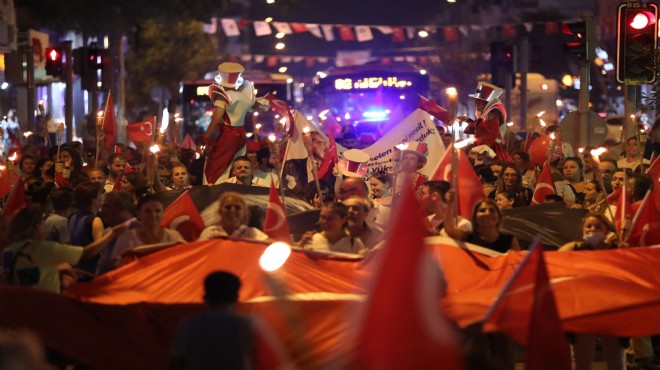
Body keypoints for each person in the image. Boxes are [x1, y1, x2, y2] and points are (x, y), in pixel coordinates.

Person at [2, 205, 126, 293]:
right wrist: (113, 233)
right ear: (35, 227)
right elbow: (87, 253)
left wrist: (55, 272)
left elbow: (26, 277)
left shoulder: (10, 250)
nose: (44, 227)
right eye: (41, 223)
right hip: (43, 306)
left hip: (19, 308)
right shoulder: (44, 248)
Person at [558, 213, 626, 370]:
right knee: (581, 357)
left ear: (607, 230)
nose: (592, 229)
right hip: (584, 307)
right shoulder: (574, 248)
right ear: (582, 230)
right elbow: (553, 262)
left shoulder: (618, 249)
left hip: (612, 307)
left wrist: (622, 251)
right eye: (589, 226)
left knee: (616, 357)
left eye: (598, 226)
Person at [169, 271, 255, 370]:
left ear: (205, 297)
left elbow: (176, 363)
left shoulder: (188, 324)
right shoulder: (249, 324)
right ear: (236, 297)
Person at [201, 62, 267, 185]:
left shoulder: (222, 97)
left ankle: (214, 193)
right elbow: (256, 107)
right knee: (234, 165)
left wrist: (205, 137)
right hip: (241, 136)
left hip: (227, 136)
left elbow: (216, 119)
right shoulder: (244, 96)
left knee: (217, 166)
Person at [111, 194, 185, 267]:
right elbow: (116, 264)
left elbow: (187, 255)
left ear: (163, 213)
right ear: (138, 213)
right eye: (147, 211)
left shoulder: (173, 237)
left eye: (157, 211)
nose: (153, 215)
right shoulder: (126, 238)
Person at [445, 196, 520, 253]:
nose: (487, 213)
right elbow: (450, 230)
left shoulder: (509, 241)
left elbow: (518, 266)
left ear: (499, 217)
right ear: (475, 217)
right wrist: (449, 205)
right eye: (482, 210)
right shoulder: (468, 238)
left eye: (492, 210)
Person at [464, 82, 510, 161]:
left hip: (490, 152)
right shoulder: (489, 113)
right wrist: (468, 120)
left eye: (478, 101)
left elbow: (493, 133)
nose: (476, 103)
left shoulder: (492, 113)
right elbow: (483, 129)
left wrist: (485, 149)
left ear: (486, 102)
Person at [298, 202, 366, 255]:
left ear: (344, 219)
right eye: (323, 217)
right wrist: (300, 245)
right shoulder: (311, 240)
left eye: (330, 219)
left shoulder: (354, 243)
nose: (325, 222)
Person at [96, 190, 137, 275]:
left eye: (106, 207)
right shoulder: (109, 231)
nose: (102, 211)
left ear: (121, 208)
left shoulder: (138, 234)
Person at [198, 192, 269, 241]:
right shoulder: (210, 232)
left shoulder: (252, 233)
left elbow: (269, 245)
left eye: (237, 207)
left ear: (244, 213)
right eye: (228, 207)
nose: (232, 210)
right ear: (220, 211)